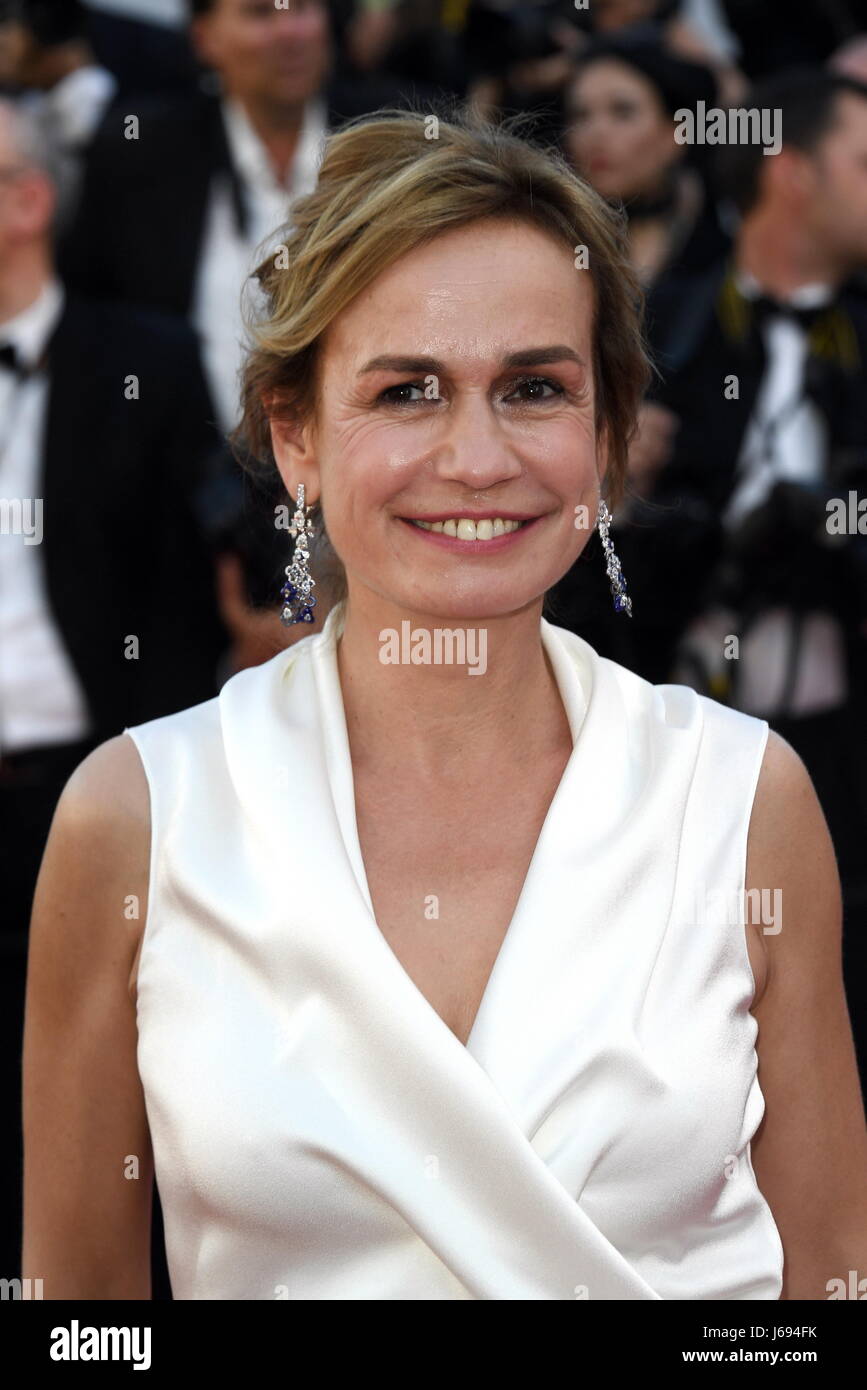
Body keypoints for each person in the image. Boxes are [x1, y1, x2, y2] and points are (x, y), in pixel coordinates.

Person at [22, 107, 867, 1300]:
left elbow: (831, 1283)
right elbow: (78, 1320)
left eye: (533, 388)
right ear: (298, 437)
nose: (477, 459)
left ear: (609, 433)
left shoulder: (739, 797)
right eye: (409, 391)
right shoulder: (138, 815)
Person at [0, 97, 228, 1279]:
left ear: (27, 200)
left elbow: (200, 590)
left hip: (98, 802)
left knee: (118, 1122)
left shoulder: (145, 362)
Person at [562, 38, 729, 288]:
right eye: (580, 114)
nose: (595, 133)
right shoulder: (555, 244)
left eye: (622, 111)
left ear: (676, 133)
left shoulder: (726, 257)